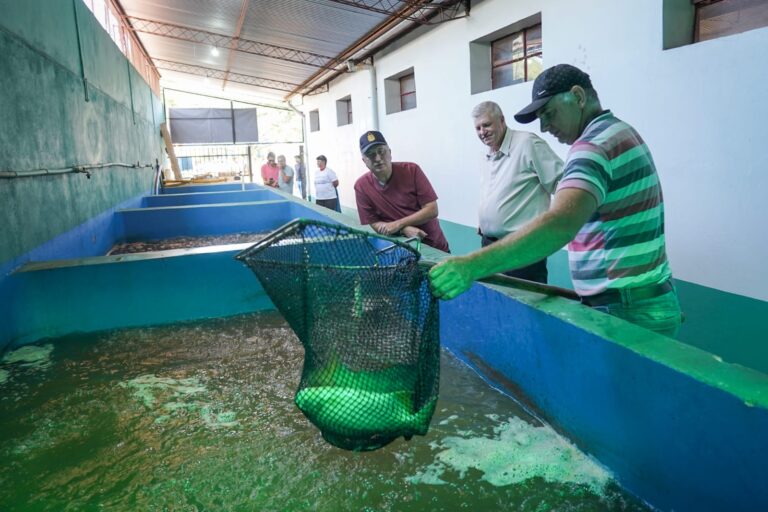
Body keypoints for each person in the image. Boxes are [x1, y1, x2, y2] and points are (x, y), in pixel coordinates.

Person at [430, 64, 682, 337]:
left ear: (578, 96)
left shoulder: (591, 148)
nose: (545, 126)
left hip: (625, 308)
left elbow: (560, 224)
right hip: (642, 297)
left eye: (549, 113)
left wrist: (470, 267)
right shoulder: (619, 131)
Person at [472, 101, 564, 283]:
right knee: (494, 296)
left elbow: (563, 183)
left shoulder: (527, 143)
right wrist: (485, 221)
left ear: (502, 120)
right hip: (489, 245)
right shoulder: (485, 155)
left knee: (524, 298)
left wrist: (550, 224)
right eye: (478, 128)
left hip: (522, 247)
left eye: (487, 125)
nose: (482, 132)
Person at [354, 130, 450, 252]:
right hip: (398, 251)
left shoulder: (412, 170)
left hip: (434, 246)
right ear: (364, 160)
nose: (377, 158)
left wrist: (397, 224)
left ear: (390, 152)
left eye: (381, 151)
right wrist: (403, 229)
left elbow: (432, 209)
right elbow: (374, 222)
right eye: (371, 154)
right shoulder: (361, 187)